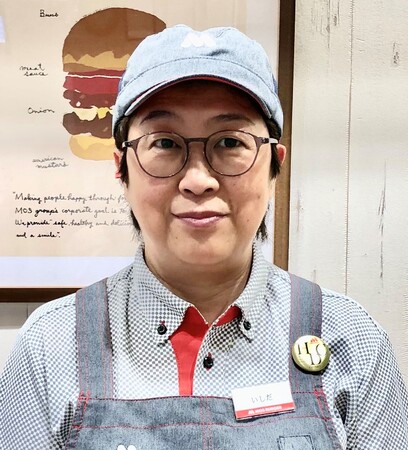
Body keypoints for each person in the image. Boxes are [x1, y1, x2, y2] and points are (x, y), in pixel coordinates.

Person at [1, 24, 407, 450]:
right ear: (121, 167)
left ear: (275, 165)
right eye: (165, 143)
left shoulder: (352, 340)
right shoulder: (51, 346)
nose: (198, 180)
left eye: (230, 141)